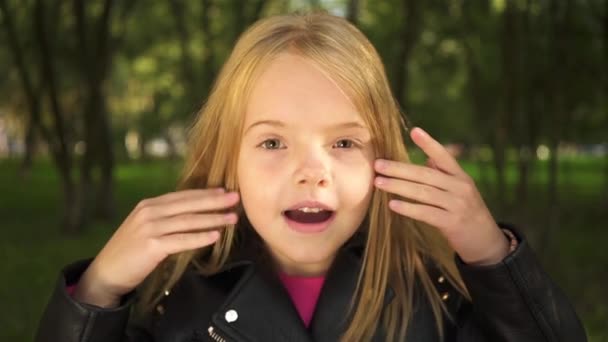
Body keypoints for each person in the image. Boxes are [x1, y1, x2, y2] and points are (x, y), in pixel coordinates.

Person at [34, 11, 586, 342]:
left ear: (382, 162)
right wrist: (101, 289)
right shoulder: (173, 302)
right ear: (229, 161)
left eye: (344, 142)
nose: (311, 173)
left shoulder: (432, 298)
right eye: (273, 142)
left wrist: (492, 255)